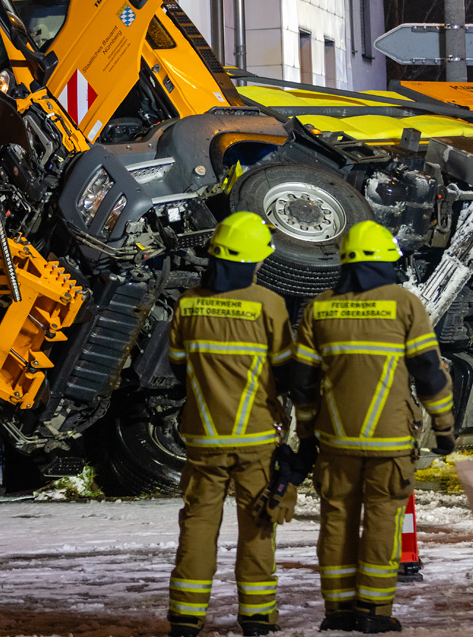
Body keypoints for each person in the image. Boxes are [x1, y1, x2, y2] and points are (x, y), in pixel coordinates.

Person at [291, 220, 455, 634]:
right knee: (383, 521)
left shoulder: (318, 308)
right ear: (385, 261)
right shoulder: (404, 304)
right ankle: (374, 613)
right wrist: (445, 426)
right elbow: (429, 373)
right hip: (390, 443)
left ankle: (338, 609)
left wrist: (307, 437)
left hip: (334, 442)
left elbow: (303, 385)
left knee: (337, 521)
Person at [166, 211, 294, 637]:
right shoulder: (269, 305)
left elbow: (179, 367)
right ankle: (257, 617)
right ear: (254, 259)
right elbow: (286, 370)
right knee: (258, 524)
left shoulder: (188, 303)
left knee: (199, 523)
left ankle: (186, 616)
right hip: (256, 439)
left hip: (203, 438)